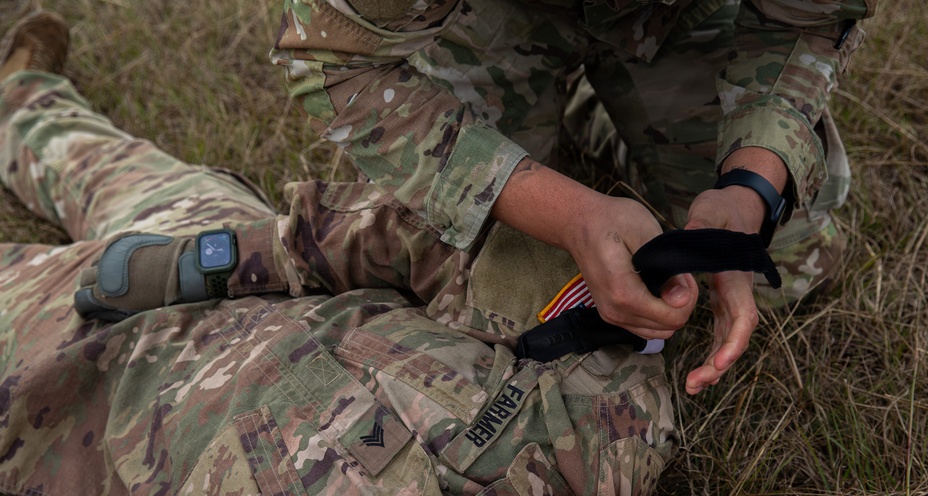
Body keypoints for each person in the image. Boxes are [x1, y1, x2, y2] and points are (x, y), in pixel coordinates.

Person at [0, 9, 811, 496]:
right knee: (88, 158)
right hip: (230, 255)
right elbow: (437, 248)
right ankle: (22, 95)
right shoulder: (611, 414)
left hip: (72, 381)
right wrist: (219, 260)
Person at [270, 0, 876, 396]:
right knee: (506, 296)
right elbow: (332, 60)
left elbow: (809, 20)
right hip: (489, 21)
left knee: (792, 266)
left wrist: (748, 192)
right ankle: (540, 125)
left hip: (666, 17)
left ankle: (592, 114)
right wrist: (567, 214)